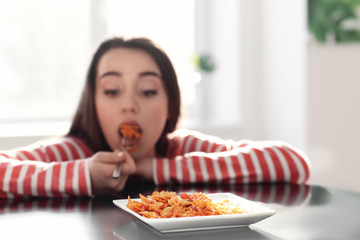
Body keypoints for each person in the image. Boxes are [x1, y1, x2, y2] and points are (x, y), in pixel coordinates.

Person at [0, 37, 311, 198]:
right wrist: (83, 175)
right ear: (91, 103)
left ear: (169, 106)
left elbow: (292, 162)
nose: (129, 105)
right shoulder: (75, 151)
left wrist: (153, 168)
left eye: (148, 91)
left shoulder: (180, 148)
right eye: (111, 90)